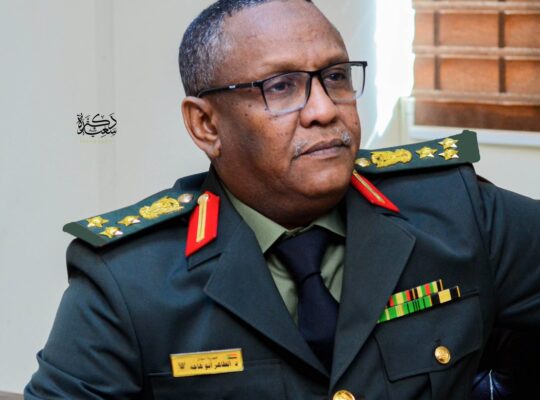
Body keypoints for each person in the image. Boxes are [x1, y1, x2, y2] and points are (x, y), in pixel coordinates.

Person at [25, 0, 540, 399]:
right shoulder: (128, 281)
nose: (324, 110)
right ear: (206, 125)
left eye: (335, 77)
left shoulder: (456, 211)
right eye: (281, 87)